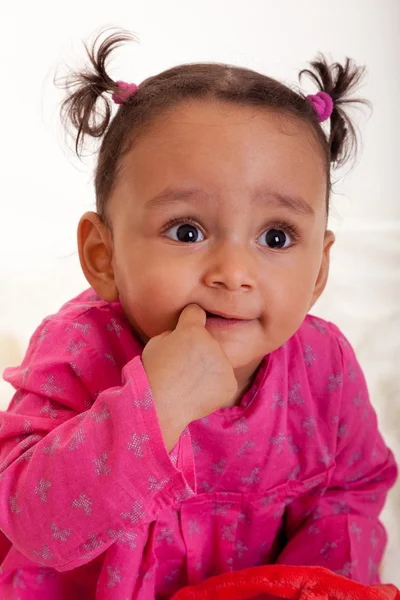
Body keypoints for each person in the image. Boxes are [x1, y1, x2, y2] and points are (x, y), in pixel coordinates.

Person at [0, 28, 397, 600]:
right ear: (103, 256)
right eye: (187, 231)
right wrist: (153, 409)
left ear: (318, 273)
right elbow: (35, 528)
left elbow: (351, 493)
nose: (233, 271)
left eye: (277, 236)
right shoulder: (77, 350)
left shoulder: (323, 366)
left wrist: (301, 585)